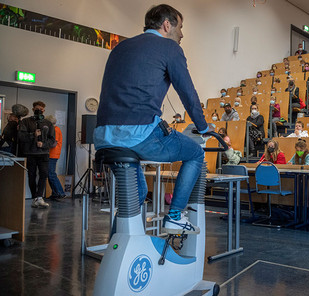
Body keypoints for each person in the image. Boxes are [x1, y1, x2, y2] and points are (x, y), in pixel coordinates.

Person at [94, 4, 212, 233]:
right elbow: (188, 93)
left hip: (103, 136)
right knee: (196, 152)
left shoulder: (120, 47)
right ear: (167, 25)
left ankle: (117, 251)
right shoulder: (169, 48)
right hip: (138, 134)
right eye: (180, 27)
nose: (182, 34)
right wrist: (204, 127)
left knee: (134, 196)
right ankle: (175, 216)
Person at [19, 101, 55, 208]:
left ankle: (40, 197)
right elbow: (21, 136)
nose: (39, 111)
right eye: (37, 109)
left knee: (43, 174)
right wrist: (32, 135)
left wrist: (43, 144)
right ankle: (35, 198)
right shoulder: (25, 122)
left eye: (41, 109)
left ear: (44, 110)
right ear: (33, 109)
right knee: (32, 175)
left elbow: (52, 140)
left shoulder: (48, 123)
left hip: (44, 153)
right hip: (30, 153)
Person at [45, 115, 65, 200]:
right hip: (52, 154)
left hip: (52, 154)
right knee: (50, 174)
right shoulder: (54, 129)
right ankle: (55, 193)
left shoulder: (55, 130)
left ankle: (60, 192)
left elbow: (53, 143)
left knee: (51, 174)